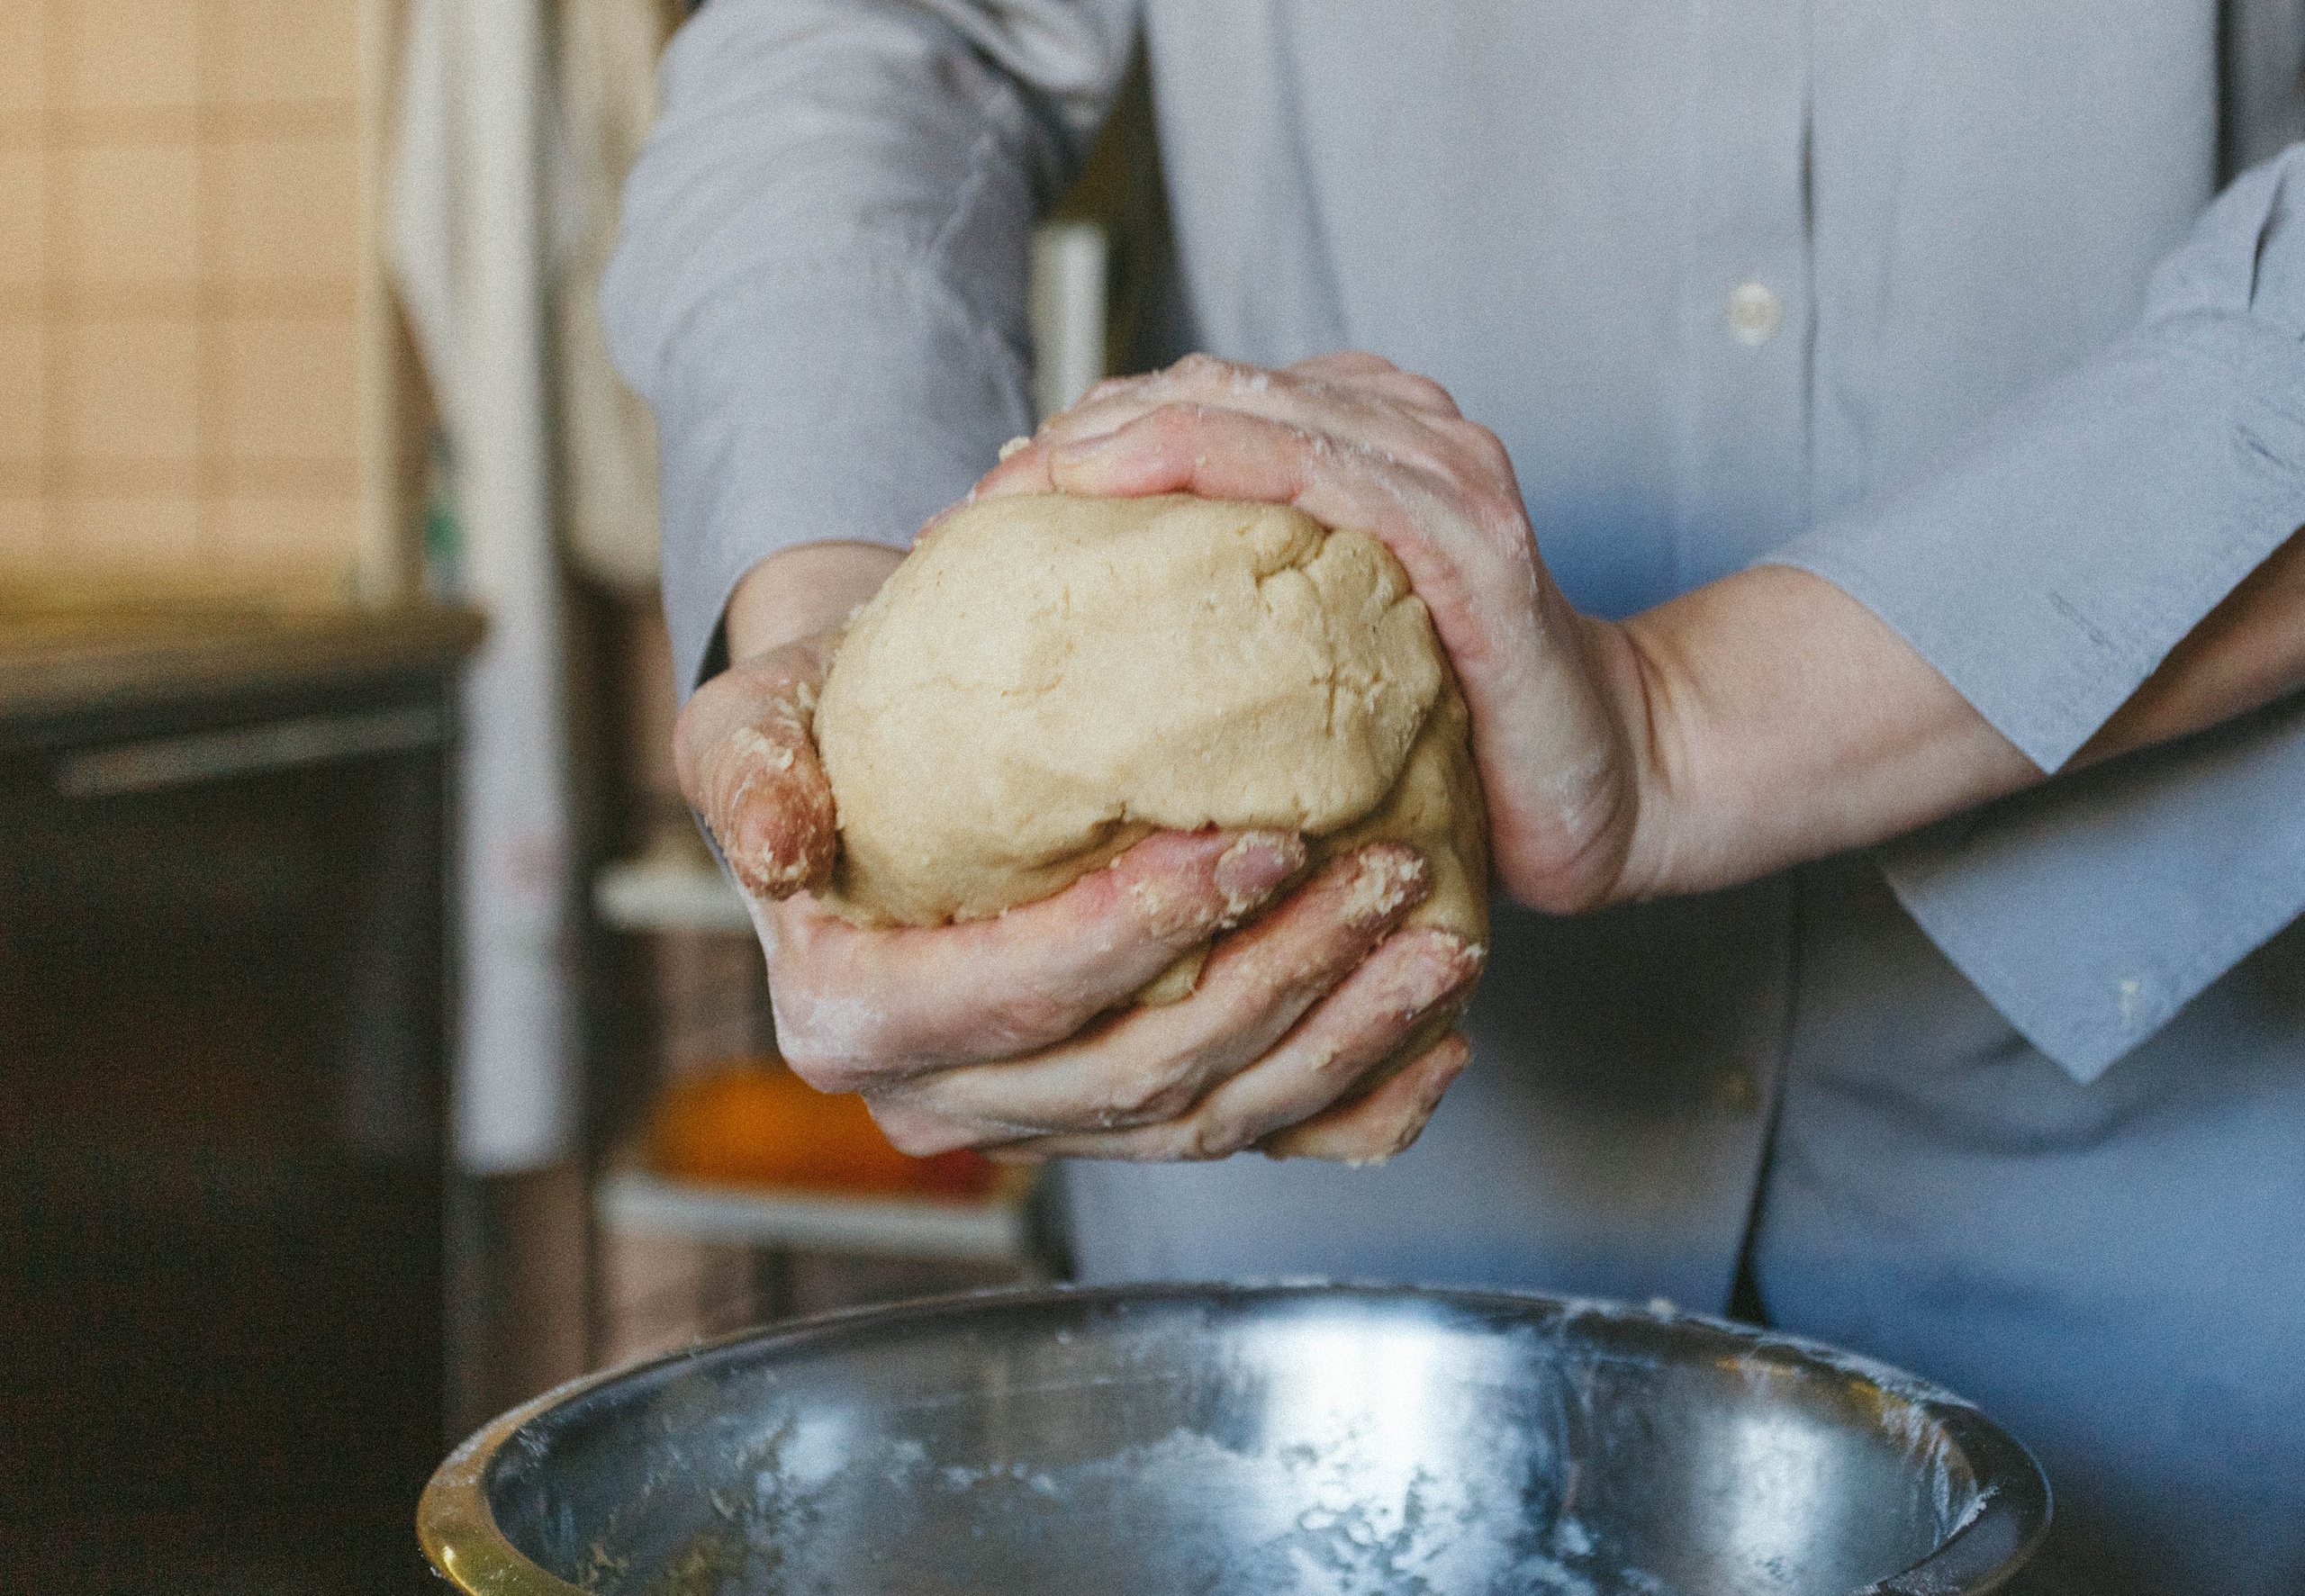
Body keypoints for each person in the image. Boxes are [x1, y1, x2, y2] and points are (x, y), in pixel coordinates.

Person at [602, 4, 2305, 1588]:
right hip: (1301, 1229)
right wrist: (850, 654)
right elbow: (878, 31)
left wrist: (1690, 719)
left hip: (2171, 1221)